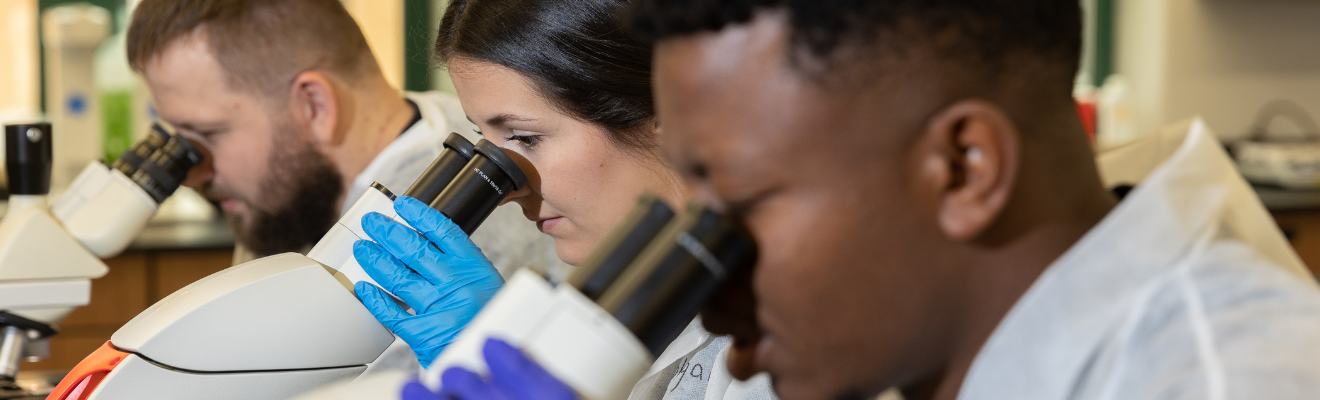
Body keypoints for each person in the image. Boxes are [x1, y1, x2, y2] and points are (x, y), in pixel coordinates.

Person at [404, 0, 1320, 399]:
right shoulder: (939, 337)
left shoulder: (1226, 381)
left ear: (963, 169)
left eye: (742, 204)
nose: (712, 298)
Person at [349, 0, 777, 398]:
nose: (507, 190)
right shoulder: (632, 287)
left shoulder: (794, 325)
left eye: (525, 137)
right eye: (485, 141)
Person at [124, 0, 558, 371]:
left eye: (208, 135)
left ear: (314, 104)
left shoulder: (464, 211)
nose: (192, 173)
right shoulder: (293, 197)